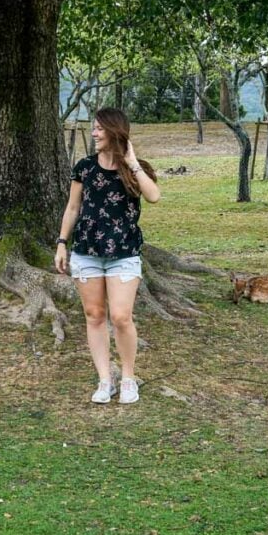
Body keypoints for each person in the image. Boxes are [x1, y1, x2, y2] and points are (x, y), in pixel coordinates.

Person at [55, 108, 160, 404]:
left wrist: (133, 162)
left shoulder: (134, 170)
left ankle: (128, 378)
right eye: (94, 128)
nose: (94, 133)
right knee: (95, 315)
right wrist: (62, 243)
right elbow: (73, 208)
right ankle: (105, 380)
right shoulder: (84, 168)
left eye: (100, 128)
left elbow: (153, 196)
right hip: (86, 253)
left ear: (114, 131)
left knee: (121, 316)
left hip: (124, 253)